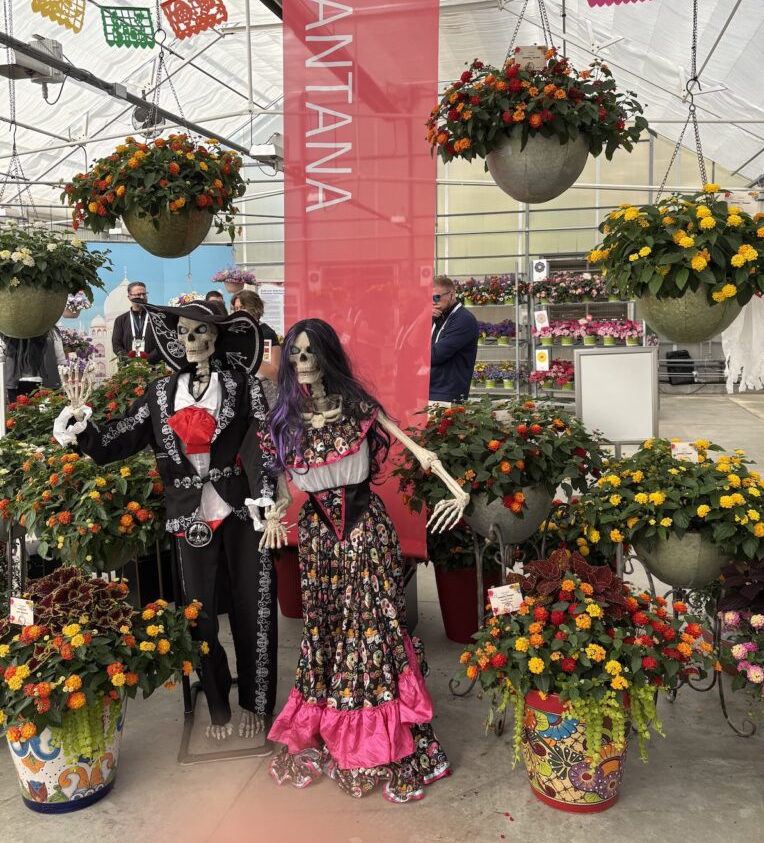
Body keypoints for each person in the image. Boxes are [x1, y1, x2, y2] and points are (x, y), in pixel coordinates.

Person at [258, 319, 469, 802]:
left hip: (366, 532)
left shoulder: (359, 411)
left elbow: (423, 454)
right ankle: (334, 724)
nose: (302, 363)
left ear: (328, 356)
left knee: (372, 626)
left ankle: (379, 738)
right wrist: (274, 514)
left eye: (310, 353)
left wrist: (458, 492)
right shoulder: (285, 424)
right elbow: (290, 489)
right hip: (316, 540)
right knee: (328, 627)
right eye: (294, 354)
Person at [54, 300, 279, 742]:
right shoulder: (159, 393)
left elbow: (263, 445)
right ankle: (216, 702)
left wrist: (266, 498)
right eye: (183, 333)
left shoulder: (243, 385)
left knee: (255, 609)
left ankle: (256, 700)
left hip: (240, 510)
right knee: (200, 618)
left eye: (199, 332)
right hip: (188, 517)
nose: (190, 341)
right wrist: (82, 424)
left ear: (215, 336)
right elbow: (120, 438)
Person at [429, 275, 479, 402]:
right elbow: (408, 344)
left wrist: (414, 356)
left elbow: (435, 355)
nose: (432, 302)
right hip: (427, 389)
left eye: (436, 297)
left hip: (447, 394)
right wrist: (421, 319)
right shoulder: (434, 316)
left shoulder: (463, 319)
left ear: (452, 295)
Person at [231, 289, 281, 398]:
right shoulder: (235, 331)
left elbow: (274, 373)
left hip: (263, 393)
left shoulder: (266, 333)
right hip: (241, 391)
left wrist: (249, 355)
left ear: (255, 308)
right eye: (236, 309)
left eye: (243, 307)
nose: (238, 312)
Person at [3, 328, 65, 401]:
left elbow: (2, 357)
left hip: (16, 382)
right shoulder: (52, 330)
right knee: (49, 411)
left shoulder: (9, 329)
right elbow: (60, 359)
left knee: (19, 410)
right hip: (47, 381)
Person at [112, 280, 161, 363]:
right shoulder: (120, 320)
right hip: (129, 370)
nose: (142, 297)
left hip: (155, 367)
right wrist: (131, 362)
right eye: (138, 294)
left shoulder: (157, 317)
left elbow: (162, 343)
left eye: (144, 294)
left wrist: (147, 361)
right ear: (129, 297)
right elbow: (117, 346)